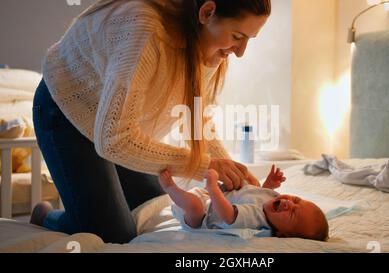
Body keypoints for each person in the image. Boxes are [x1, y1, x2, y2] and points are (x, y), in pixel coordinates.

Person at [30, 0, 271, 243]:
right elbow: (113, 141)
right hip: (66, 109)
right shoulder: (144, 30)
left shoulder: (214, 49)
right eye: (238, 36)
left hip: (118, 130)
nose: (240, 52)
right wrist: (203, 164)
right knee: (115, 236)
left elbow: (196, 117)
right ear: (207, 12)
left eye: (249, 39)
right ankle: (47, 216)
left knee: (155, 213)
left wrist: (230, 171)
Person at [158, 165, 329, 241]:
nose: (289, 204)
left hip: (202, 219)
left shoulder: (256, 219)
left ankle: (170, 187)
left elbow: (228, 215)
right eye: (296, 200)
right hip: (210, 198)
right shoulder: (273, 202)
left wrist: (212, 188)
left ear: (282, 235)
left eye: (292, 213)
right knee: (247, 180)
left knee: (194, 206)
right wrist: (269, 183)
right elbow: (257, 194)